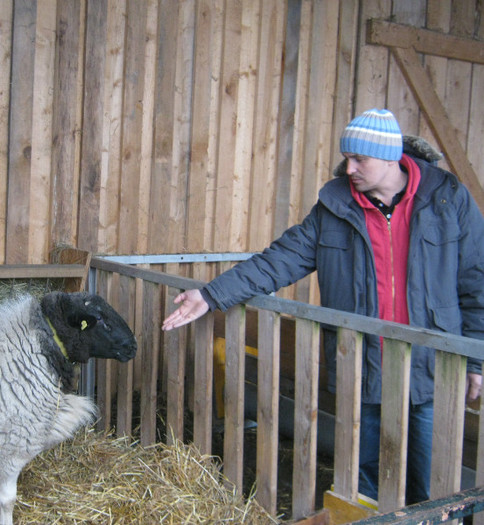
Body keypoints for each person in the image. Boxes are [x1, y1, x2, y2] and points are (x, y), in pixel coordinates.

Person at [162, 109, 484, 505]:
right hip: (362, 367)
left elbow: (476, 282)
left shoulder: (447, 199)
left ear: (389, 157)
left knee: (432, 481)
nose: (349, 168)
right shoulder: (334, 208)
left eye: (359, 159)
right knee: (359, 479)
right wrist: (211, 294)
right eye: (346, 157)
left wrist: (475, 360)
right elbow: (279, 260)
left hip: (432, 369)